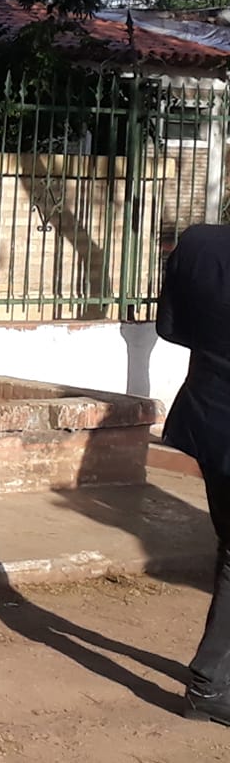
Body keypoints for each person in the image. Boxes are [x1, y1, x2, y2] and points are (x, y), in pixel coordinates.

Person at [157, 223, 230, 723]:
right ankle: (208, 684)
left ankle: (211, 683)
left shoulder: (200, 245)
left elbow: (169, 329)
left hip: (209, 418)